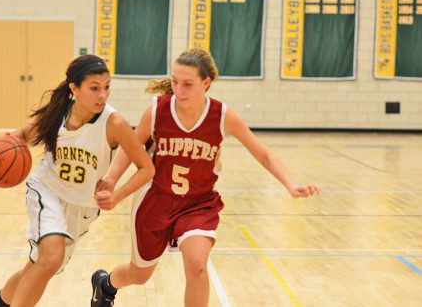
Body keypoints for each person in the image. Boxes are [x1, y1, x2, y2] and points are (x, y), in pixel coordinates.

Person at [90, 48, 320, 307]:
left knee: (198, 266)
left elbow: (263, 154)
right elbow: (130, 150)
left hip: (198, 204)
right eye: (175, 82)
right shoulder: (156, 111)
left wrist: (290, 184)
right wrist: (110, 180)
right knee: (140, 275)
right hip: (156, 200)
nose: (178, 90)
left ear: (206, 83)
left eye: (187, 84)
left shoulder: (222, 116)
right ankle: (105, 283)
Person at [0, 54, 154, 307]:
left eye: (106, 87)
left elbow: (147, 168)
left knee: (40, 266)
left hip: (81, 207)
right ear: (74, 88)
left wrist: (117, 194)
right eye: (94, 88)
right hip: (47, 190)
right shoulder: (58, 113)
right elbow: (25, 134)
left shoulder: (114, 123)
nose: (103, 95)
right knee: (50, 258)